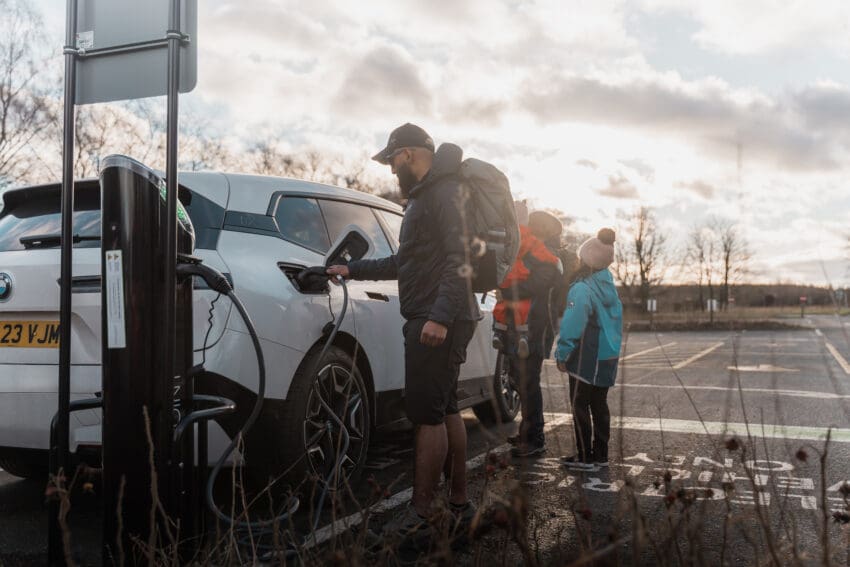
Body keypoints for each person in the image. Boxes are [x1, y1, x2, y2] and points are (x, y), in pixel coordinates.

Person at [326, 123, 479, 545]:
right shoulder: (426, 197)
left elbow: (460, 257)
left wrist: (440, 316)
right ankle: (460, 507)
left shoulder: (444, 192)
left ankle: (423, 513)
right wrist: (351, 269)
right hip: (436, 312)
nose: (392, 170)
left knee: (426, 414)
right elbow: (404, 263)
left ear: (409, 153)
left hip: (437, 317)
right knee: (445, 408)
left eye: (393, 160)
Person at [554, 228, 623, 470]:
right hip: (608, 355)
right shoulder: (609, 286)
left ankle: (584, 456)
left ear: (586, 259)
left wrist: (562, 353)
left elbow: (573, 324)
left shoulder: (582, 288)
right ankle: (600, 454)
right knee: (599, 404)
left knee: (580, 404)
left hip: (588, 355)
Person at [504, 210, 564, 458]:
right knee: (520, 380)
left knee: (529, 383)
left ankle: (535, 438)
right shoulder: (533, 251)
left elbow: (537, 284)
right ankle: (527, 432)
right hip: (525, 325)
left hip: (536, 329)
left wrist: (508, 287)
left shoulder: (547, 257)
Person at [492, 201, 561, 361]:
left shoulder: (544, 255)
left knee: (526, 378)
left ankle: (502, 335)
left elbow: (536, 285)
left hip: (534, 326)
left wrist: (505, 291)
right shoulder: (530, 249)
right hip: (530, 324)